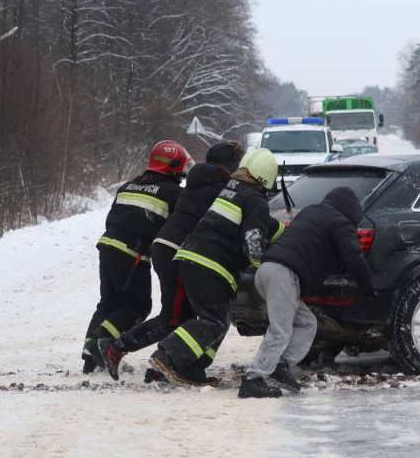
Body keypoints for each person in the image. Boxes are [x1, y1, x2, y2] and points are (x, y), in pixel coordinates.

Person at [92, 142, 243, 381]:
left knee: (187, 315)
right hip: (177, 251)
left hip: (165, 247)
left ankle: (169, 366)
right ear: (229, 166)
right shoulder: (219, 189)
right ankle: (117, 347)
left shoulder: (197, 182)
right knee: (174, 318)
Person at [149, 148, 285, 386]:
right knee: (213, 321)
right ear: (266, 177)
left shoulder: (232, 190)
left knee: (217, 321)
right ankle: (167, 355)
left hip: (191, 256)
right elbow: (253, 240)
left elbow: (253, 220)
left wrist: (284, 229)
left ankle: (192, 368)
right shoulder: (255, 199)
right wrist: (262, 266)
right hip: (210, 265)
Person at [239, 187, 374, 399]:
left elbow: (317, 246)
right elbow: (354, 257)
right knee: (280, 330)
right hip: (282, 275)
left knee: (306, 323)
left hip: (266, 272)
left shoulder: (311, 211)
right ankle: (252, 380)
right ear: (351, 209)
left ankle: (279, 364)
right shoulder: (341, 222)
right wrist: (367, 289)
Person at [82, 140, 191, 374]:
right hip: (131, 253)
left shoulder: (128, 185)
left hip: (107, 245)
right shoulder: (173, 193)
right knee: (137, 307)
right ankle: (100, 343)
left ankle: (89, 355)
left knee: (109, 302)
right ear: (174, 167)